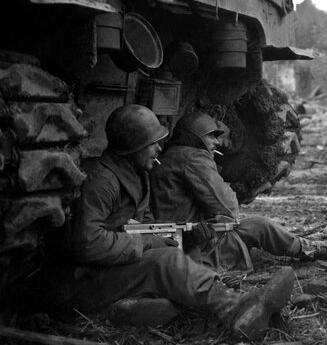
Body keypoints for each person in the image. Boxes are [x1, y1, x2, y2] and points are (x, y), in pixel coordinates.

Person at [45, 104, 295, 340]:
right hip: (84, 282)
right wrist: (143, 243)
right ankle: (236, 308)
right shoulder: (102, 181)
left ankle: (140, 309)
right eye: (152, 144)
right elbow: (86, 242)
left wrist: (184, 235)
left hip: (113, 268)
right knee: (166, 261)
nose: (158, 149)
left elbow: (145, 223)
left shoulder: (136, 174)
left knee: (173, 256)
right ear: (134, 146)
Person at [149, 111, 327, 272]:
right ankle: (314, 250)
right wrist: (225, 185)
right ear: (195, 137)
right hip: (195, 250)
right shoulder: (194, 158)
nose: (216, 142)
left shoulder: (171, 156)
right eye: (211, 136)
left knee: (256, 229)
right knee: (260, 226)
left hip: (179, 244)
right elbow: (228, 208)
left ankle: (306, 247)